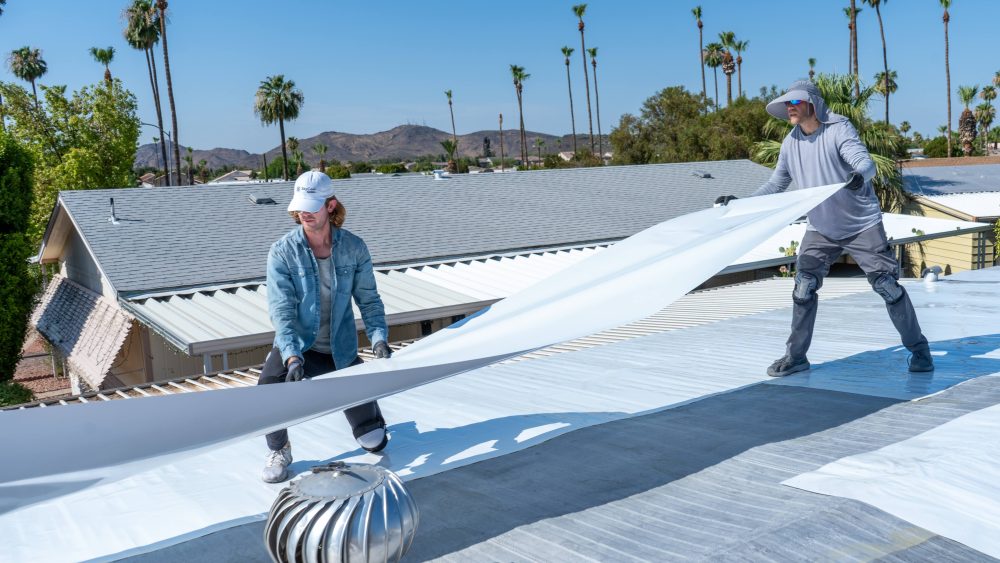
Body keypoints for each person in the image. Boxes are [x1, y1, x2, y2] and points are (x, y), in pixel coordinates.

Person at [719, 80, 934, 377]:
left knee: (887, 286)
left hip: (861, 224)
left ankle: (919, 350)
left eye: (795, 103)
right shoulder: (790, 144)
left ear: (813, 104)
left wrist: (860, 175)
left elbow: (864, 162)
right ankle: (796, 357)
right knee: (804, 287)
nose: (790, 108)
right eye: (787, 105)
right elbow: (776, 184)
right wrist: (741, 203)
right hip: (821, 227)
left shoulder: (838, 128)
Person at [258, 170, 393, 483]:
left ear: (331, 205)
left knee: (375, 443)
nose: (304, 212)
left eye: (312, 206)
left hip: (340, 350)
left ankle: (373, 421)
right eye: (300, 205)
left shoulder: (354, 248)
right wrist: (292, 357)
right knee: (266, 390)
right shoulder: (282, 252)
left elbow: (369, 301)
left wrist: (378, 340)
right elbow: (282, 311)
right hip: (300, 347)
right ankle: (279, 448)